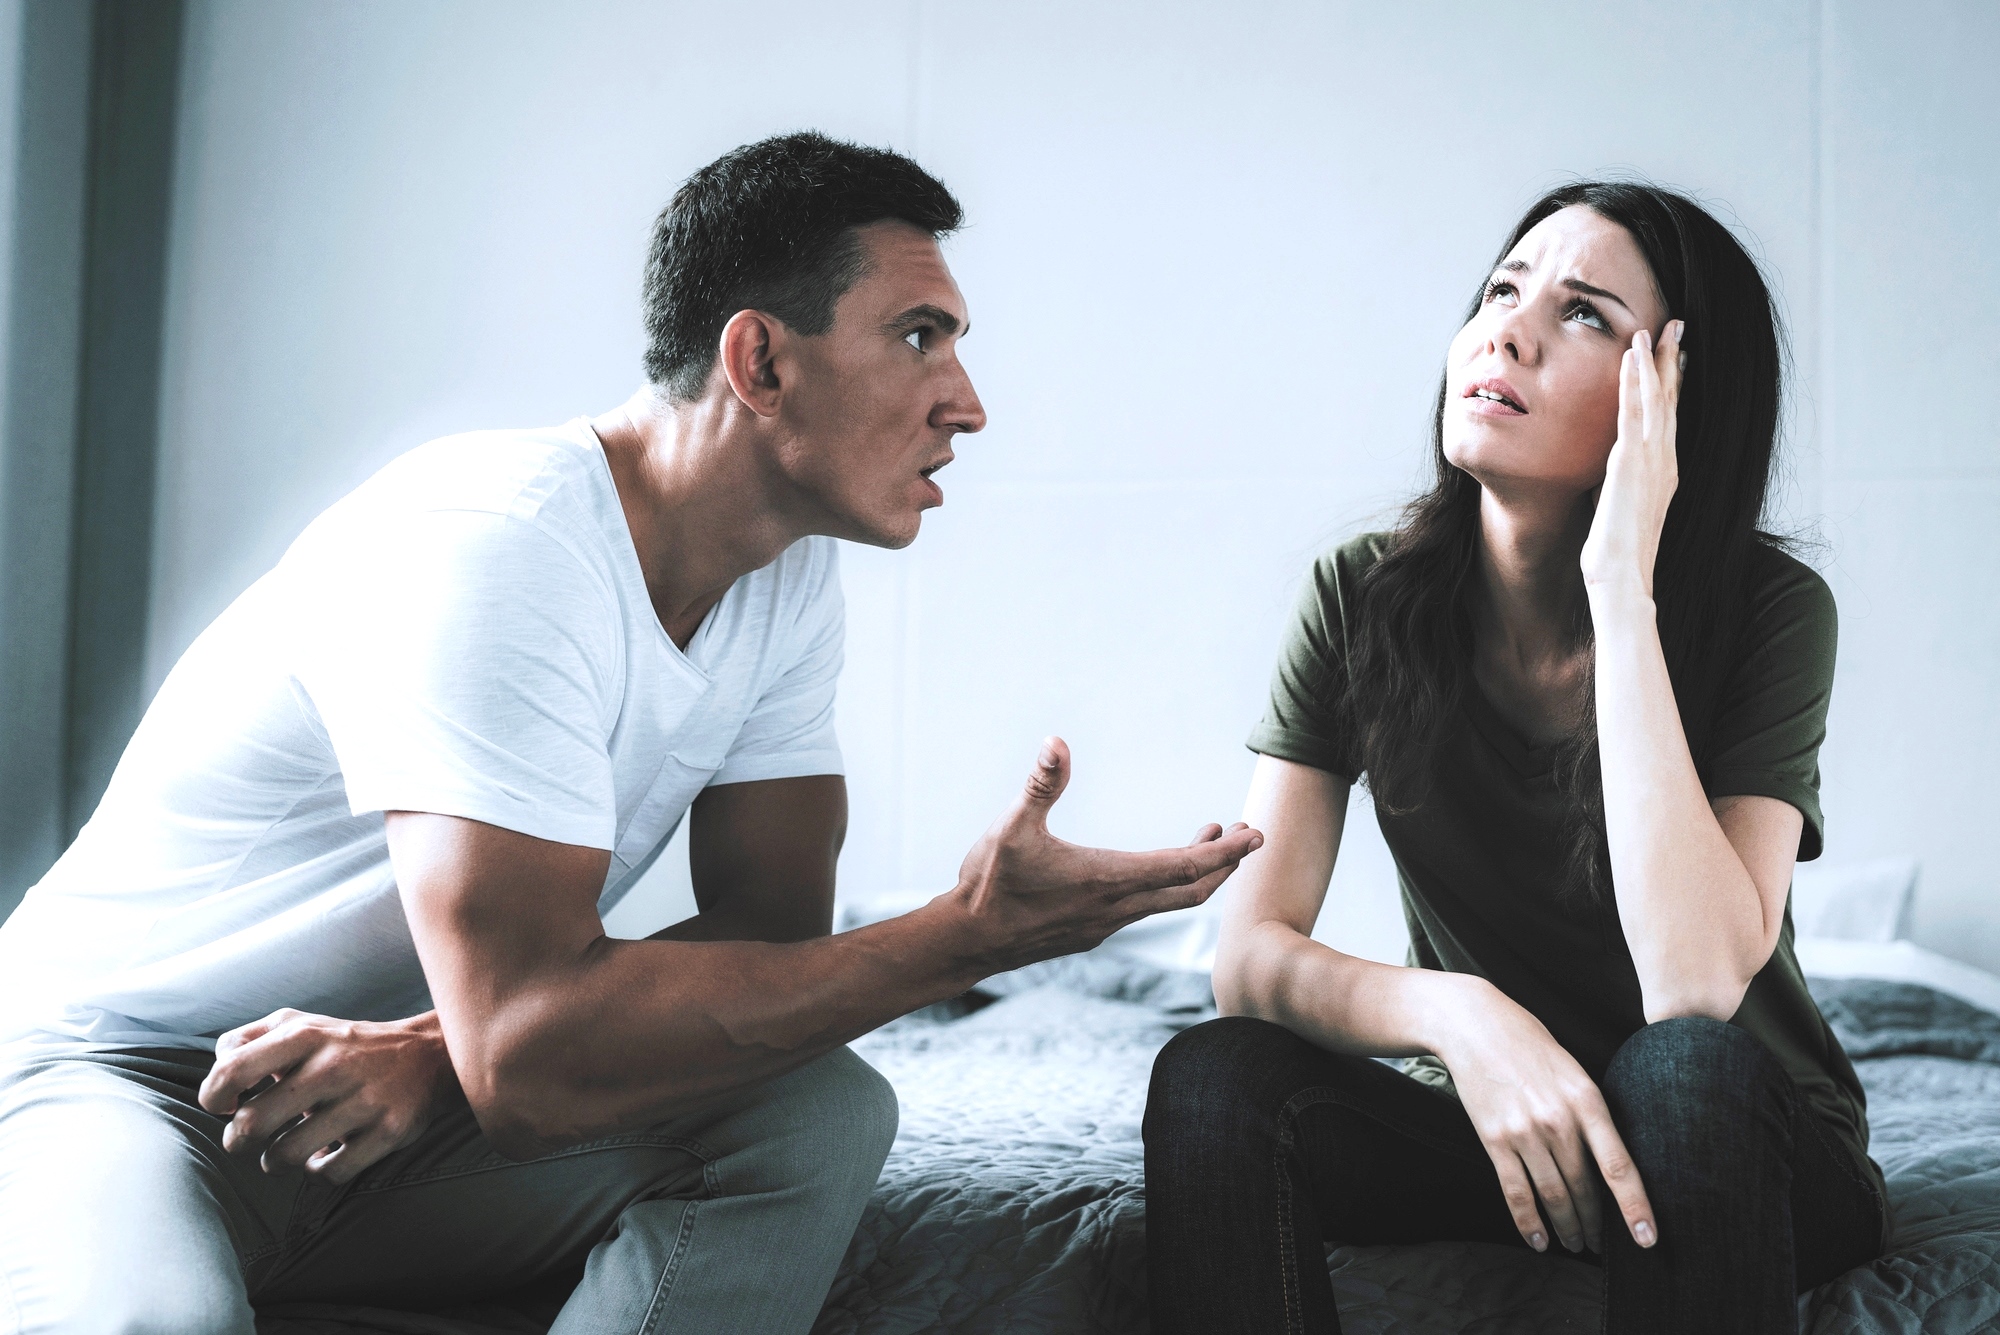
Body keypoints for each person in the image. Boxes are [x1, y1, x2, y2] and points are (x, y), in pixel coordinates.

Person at [0, 132, 1261, 1335]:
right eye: (918, 337)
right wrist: (962, 936)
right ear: (758, 361)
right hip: (116, 1078)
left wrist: (444, 1056)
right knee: (153, 1321)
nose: (967, 405)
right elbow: (538, 1061)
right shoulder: (498, 546)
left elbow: (766, 946)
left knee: (810, 1117)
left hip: (377, 1111)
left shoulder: (780, 581)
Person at [1143, 182, 1885, 1334]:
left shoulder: (1772, 612)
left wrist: (1617, 591)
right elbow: (1248, 960)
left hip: (1740, 1140)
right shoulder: (1359, 595)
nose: (1506, 330)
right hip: (1498, 1128)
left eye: (1583, 313)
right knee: (1214, 1080)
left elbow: (1692, 988)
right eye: (1501, 288)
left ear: (1673, 399)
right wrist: (1459, 1016)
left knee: (1676, 1071)